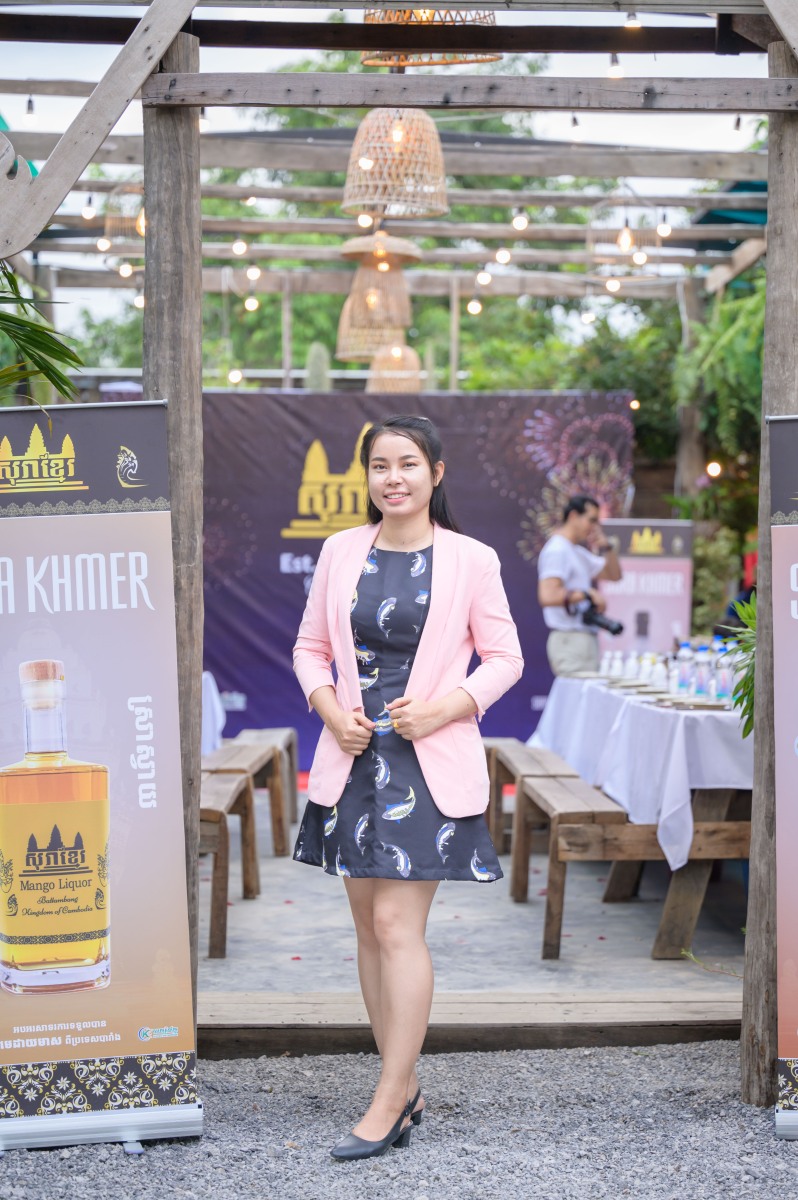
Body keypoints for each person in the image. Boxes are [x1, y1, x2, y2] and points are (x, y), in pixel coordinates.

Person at [292, 413, 523, 1161]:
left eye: (408, 464)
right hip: (352, 759)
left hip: (427, 765)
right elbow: (309, 649)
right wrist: (332, 713)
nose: (393, 478)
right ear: (367, 477)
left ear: (436, 473)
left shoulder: (472, 560)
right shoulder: (340, 550)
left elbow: (506, 659)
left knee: (397, 927)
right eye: (380, 466)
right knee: (368, 929)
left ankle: (389, 1098)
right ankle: (407, 1081)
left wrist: (442, 709)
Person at [537, 494, 622, 676]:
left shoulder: (575, 551)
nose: (594, 527)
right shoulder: (557, 549)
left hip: (582, 639)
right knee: (576, 693)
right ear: (574, 516)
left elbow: (614, 575)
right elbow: (547, 595)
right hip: (569, 638)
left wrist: (606, 547)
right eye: (591, 520)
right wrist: (587, 594)